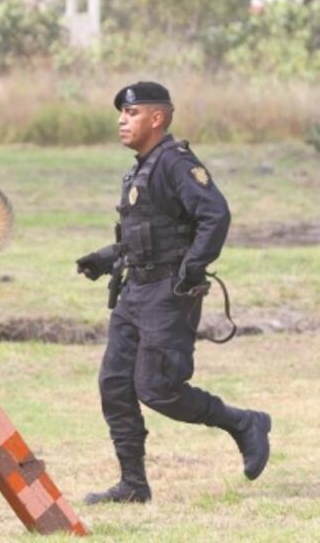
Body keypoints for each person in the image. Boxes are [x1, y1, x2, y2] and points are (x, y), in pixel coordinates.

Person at [75, 81, 271, 504]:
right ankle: (133, 485)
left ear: (157, 118)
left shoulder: (176, 163)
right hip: (135, 291)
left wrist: (191, 271)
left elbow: (214, 215)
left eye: (131, 114)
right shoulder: (140, 166)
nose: (121, 121)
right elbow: (152, 231)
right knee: (114, 385)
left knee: (158, 389)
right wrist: (107, 257)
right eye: (122, 114)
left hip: (168, 293)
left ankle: (243, 423)